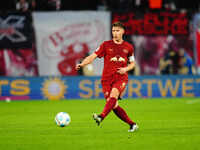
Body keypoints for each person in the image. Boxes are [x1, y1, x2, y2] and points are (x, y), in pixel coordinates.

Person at [76, 22, 138, 132]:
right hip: (106, 80)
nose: (115, 33)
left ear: (123, 31)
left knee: (114, 95)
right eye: (113, 31)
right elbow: (92, 56)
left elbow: (133, 63)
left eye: (117, 30)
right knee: (113, 105)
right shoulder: (105, 45)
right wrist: (82, 64)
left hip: (121, 77)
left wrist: (125, 69)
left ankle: (101, 116)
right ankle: (132, 124)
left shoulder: (128, 47)